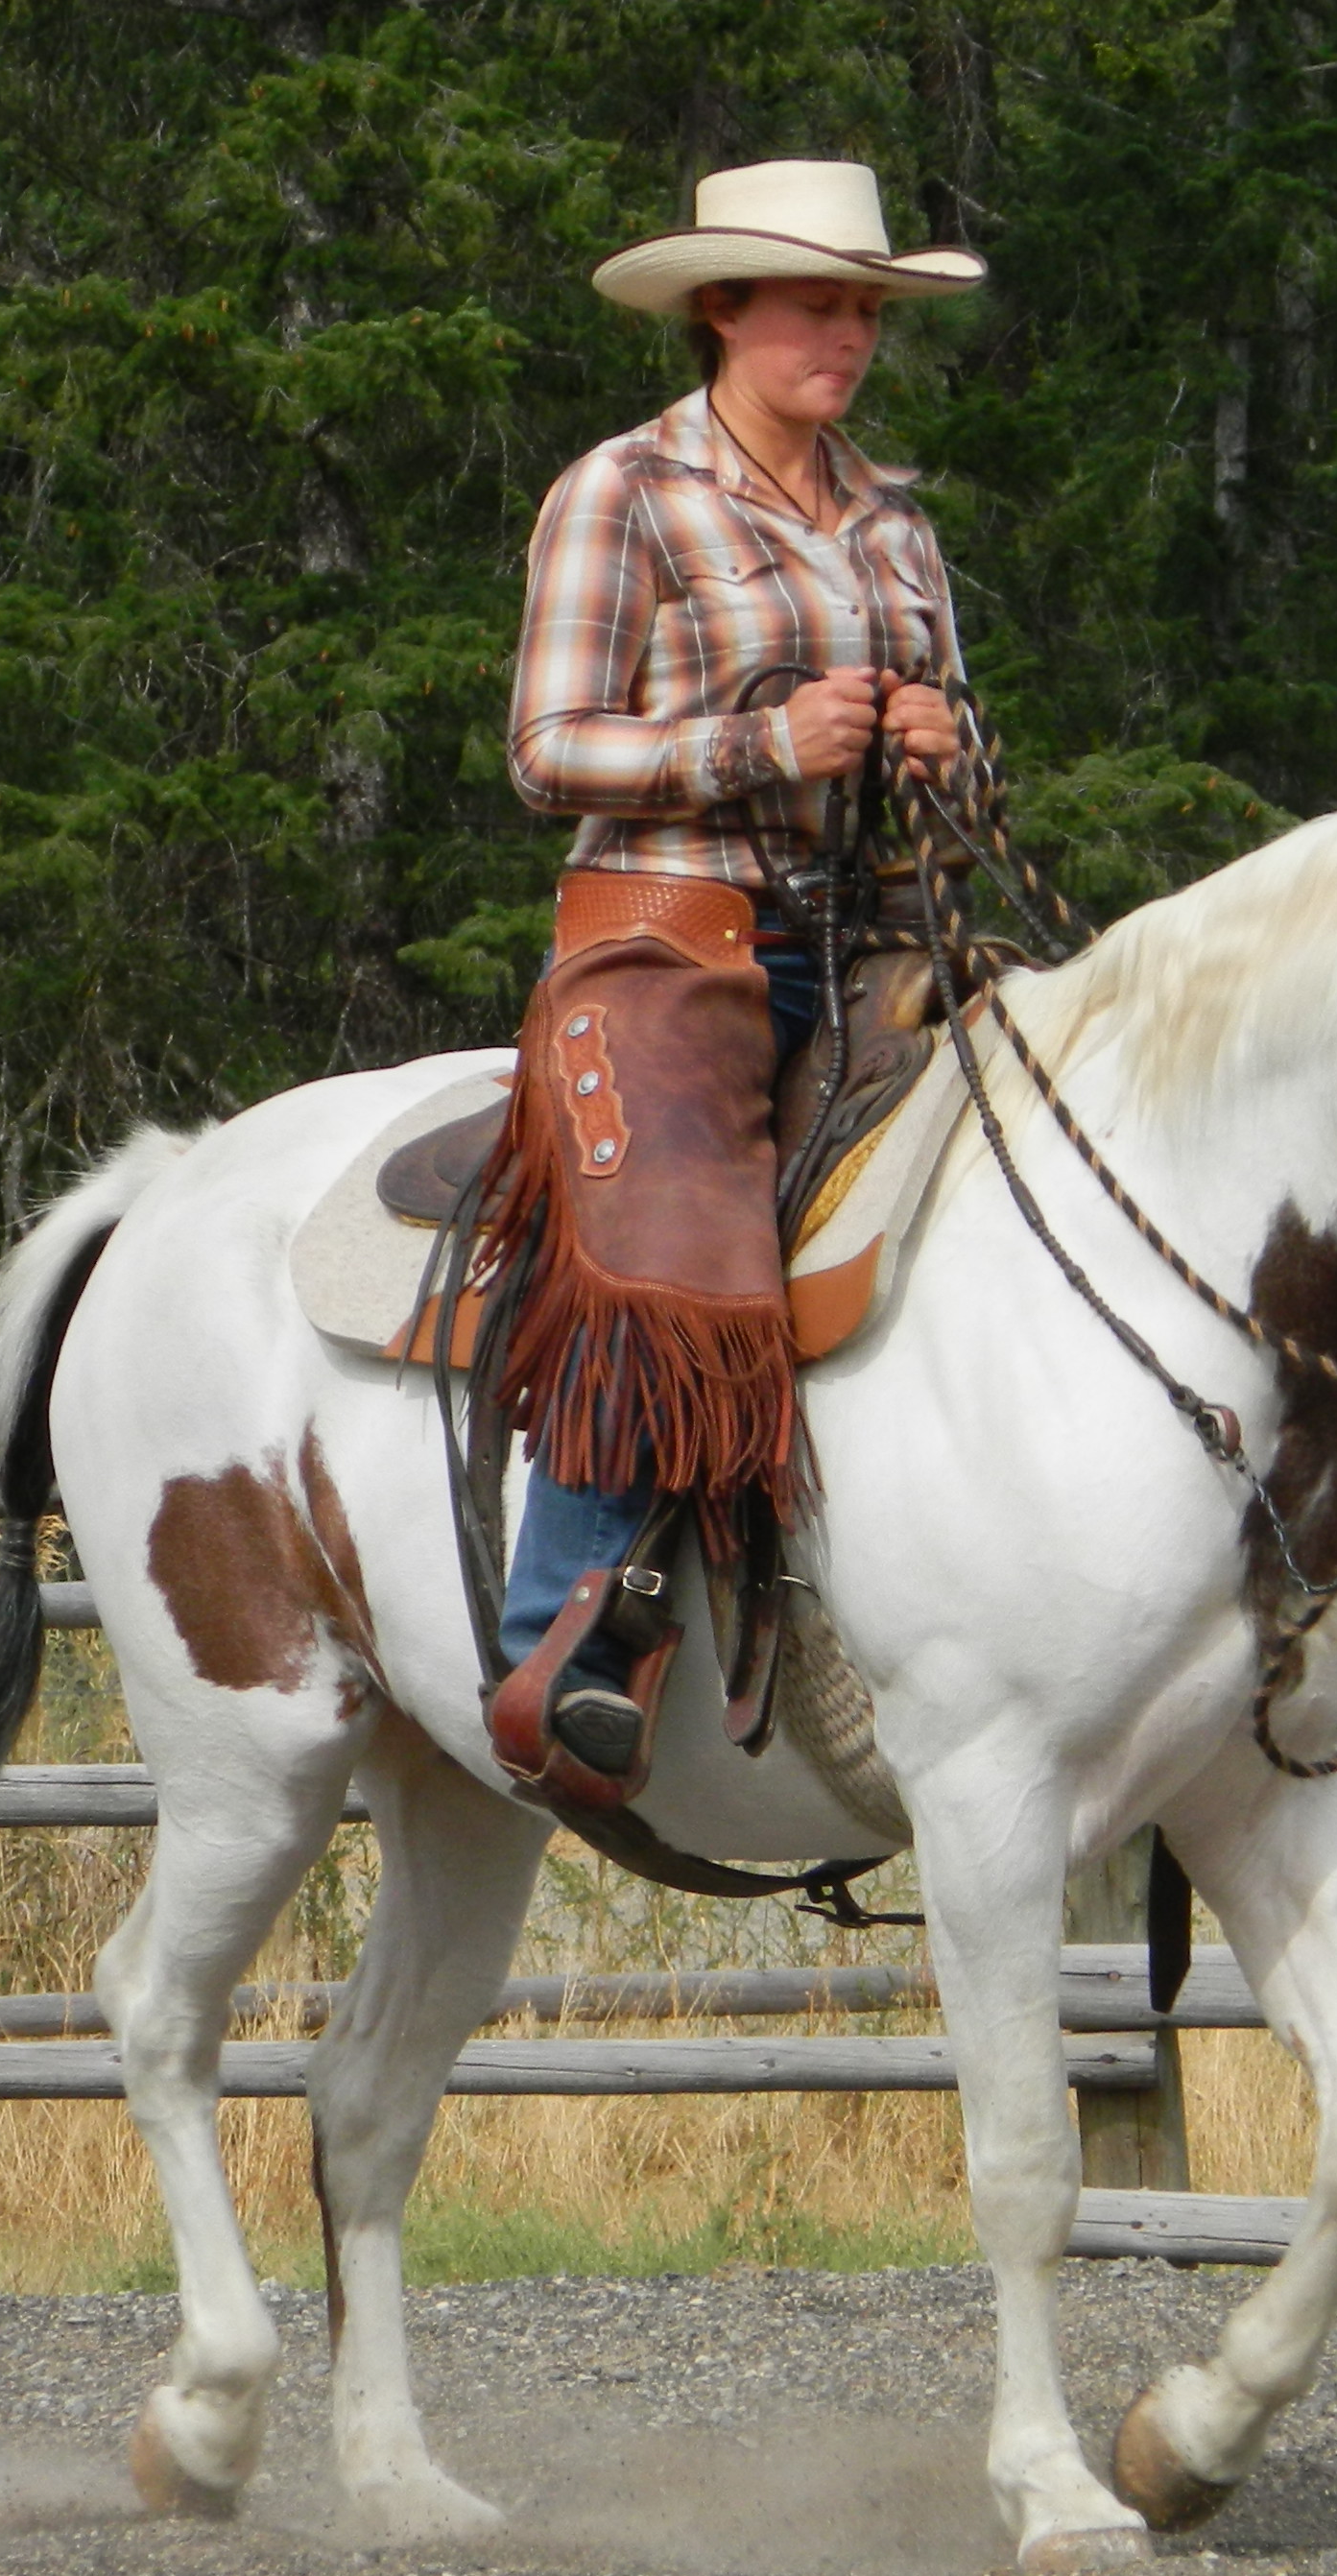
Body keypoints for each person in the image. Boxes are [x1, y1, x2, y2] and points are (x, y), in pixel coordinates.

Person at [484, 159, 985, 1805]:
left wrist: (939, 741)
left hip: (881, 933)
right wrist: (764, 742)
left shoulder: (895, 516)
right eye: (818, 301)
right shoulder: (624, 491)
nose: (849, 332)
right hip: (674, 929)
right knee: (671, 1230)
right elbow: (549, 748)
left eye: (866, 306)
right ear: (722, 307)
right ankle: (570, 1638)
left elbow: (967, 768)